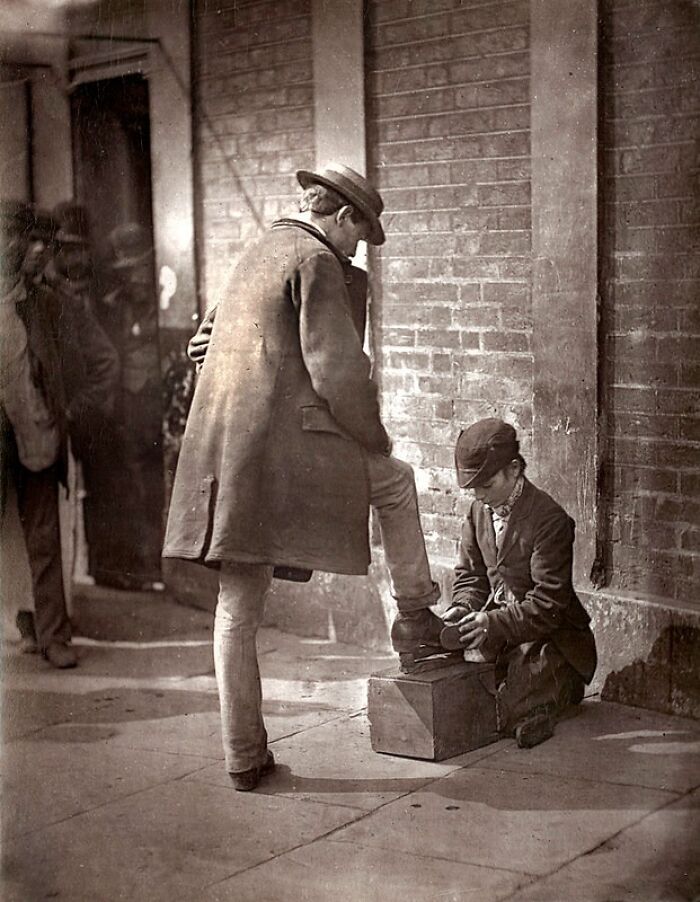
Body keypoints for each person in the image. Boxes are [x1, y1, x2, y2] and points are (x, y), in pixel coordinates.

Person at [164, 163, 449, 791]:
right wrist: (375, 436)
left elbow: (202, 341)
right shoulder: (317, 261)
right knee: (396, 479)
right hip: (289, 455)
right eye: (359, 235)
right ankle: (416, 619)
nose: (356, 251)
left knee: (237, 605)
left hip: (230, 459)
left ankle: (244, 756)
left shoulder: (258, 250)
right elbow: (337, 374)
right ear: (341, 215)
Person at [0, 201, 119, 668]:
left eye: (39, 242)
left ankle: (52, 634)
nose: (34, 250)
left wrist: (69, 411)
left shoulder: (49, 304)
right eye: (22, 239)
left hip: (37, 435)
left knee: (43, 535)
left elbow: (99, 362)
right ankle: (28, 624)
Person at [440, 418, 597, 748]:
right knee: (462, 685)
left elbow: (548, 605)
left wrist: (491, 624)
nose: (479, 495)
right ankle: (528, 699)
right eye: (472, 488)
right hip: (503, 630)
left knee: (507, 701)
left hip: (550, 637)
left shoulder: (549, 520)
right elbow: (471, 577)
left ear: (513, 470)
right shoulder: (477, 513)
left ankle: (561, 690)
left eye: (487, 484)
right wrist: (462, 608)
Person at [89, 222, 165, 590]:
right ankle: (142, 563)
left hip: (153, 394)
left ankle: (156, 561)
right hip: (129, 399)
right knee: (132, 479)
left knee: (152, 479)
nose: (132, 277)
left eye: (136, 268)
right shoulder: (118, 304)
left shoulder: (162, 298)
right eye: (126, 271)